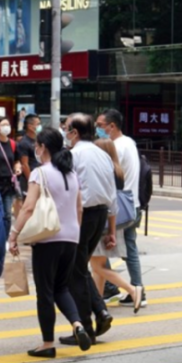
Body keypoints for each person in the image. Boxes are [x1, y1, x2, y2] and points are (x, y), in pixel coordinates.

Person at [8, 128, 91, 358]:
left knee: (45, 292)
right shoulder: (71, 173)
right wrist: (74, 231)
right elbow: (79, 208)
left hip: (48, 238)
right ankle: (77, 324)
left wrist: (14, 234)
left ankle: (47, 343)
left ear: (42, 147)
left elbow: (28, 207)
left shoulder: (40, 173)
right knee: (61, 287)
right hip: (71, 237)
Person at [59, 114, 117, 346]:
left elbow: (66, 190)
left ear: (74, 132)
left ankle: (85, 328)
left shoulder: (73, 156)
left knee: (74, 271)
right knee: (80, 267)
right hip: (100, 214)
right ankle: (100, 311)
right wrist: (111, 229)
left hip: (81, 216)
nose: (65, 133)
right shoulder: (102, 154)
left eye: (66, 129)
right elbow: (112, 195)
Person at [97, 109, 146, 308]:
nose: (98, 129)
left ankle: (112, 288)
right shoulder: (129, 142)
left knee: (100, 248)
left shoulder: (114, 147)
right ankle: (137, 289)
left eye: (100, 125)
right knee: (129, 248)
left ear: (112, 126)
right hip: (131, 203)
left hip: (119, 207)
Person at [89, 138, 143, 313]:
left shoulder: (103, 170)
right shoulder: (117, 170)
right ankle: (97, 303)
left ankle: (132, 289)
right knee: (100, 266)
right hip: (113, 221)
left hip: (101, 221)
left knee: (97, 266)